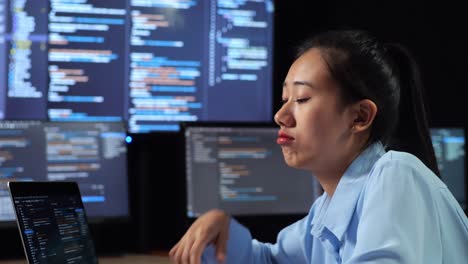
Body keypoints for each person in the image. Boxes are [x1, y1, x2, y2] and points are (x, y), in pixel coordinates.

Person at [169, 30, 468, 264]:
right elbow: (268, 260)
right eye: (284, 99)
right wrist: (221, 229)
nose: (280, 116)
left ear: (359, 116)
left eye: (301, 99)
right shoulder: (324, 212)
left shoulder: (396, 173)